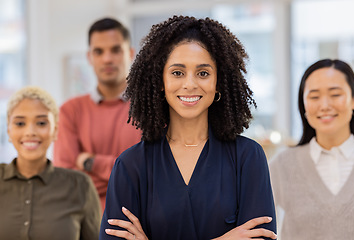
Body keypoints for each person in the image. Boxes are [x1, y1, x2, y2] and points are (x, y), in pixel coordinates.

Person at [99, 15, 277, 240]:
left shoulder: (247, 158)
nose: (190, 84)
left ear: (218, 82)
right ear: (160, 82)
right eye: (177, 73)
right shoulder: (131, 165)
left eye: (203, 73)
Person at [269, 59, 354, 240]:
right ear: (303, 104)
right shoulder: (281, 166)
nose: (325, 105)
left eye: (335, 94)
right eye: (314, 97)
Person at [53, 17, 141, 210]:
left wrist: (91, 162)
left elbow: (152, 175)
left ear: (131, 53)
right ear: (89, 57)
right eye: (99, 52)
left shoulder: (151, 109)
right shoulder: (69, 111)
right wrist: (126, 174)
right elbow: (66, 182)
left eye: (116, 50)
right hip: (86, 226)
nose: (107, 58)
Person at [0, 86, 101, 240]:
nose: (30, 132)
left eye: (41, 123)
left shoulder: (80, 186)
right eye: (20, 124)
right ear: (8, 131)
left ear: (55, 131)